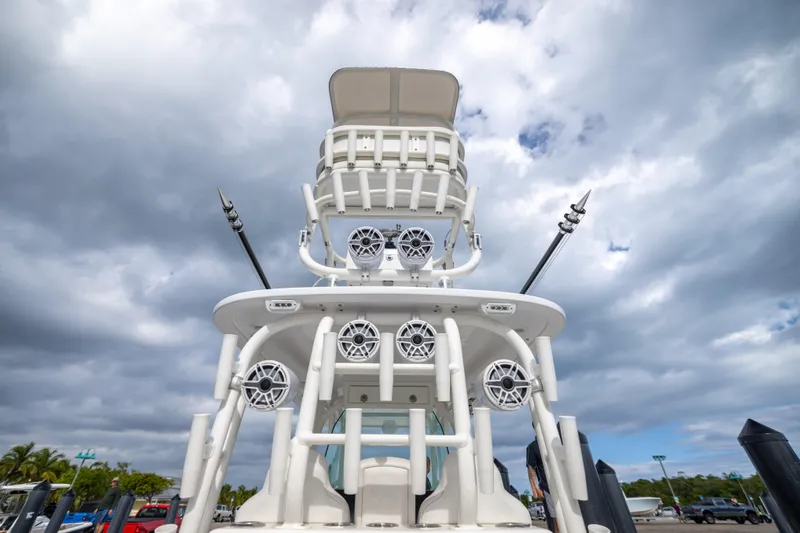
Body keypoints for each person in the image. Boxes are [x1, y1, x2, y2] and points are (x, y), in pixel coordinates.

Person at [527, 439, 557, 533]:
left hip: (565, 485)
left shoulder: (557, 440)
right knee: (557, 519)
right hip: (548, 487)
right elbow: (531, 468)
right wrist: (535, 489)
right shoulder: (533, 446)